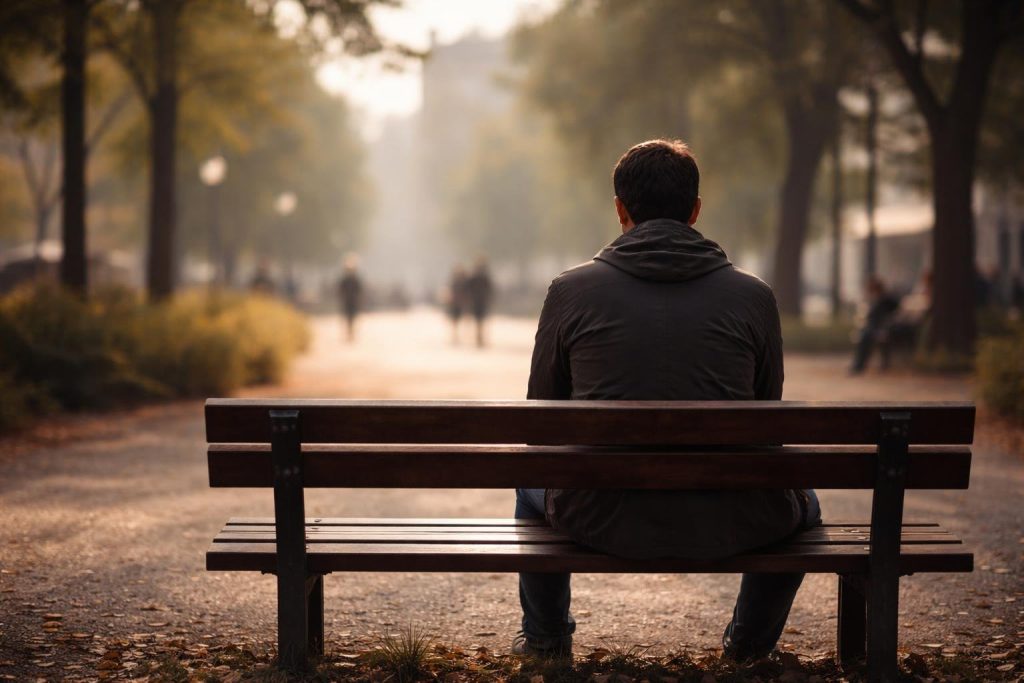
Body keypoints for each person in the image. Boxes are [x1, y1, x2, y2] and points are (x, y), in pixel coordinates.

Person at [515, 139, 819, 661]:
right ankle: (748, 648)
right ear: (696, 211)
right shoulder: (754, 296)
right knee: (806, 505)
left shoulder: (570, 291)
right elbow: (767, 420)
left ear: (620, 210)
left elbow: (543, 418)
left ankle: (545, 639)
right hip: (733, 514)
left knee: (529, 476)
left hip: (597, 514)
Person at [849, 276, 900, 374]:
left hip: (881, 329)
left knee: (865, 336)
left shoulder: (885, 299)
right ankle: (858, 365)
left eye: (870, 288)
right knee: (864, 336)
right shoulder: (875, 300)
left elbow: (894, 308)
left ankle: (858, 366)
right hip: (874, 328)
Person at [465, 257, 494, 348]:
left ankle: (479, 336)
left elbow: (489, 289)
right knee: (479, 319)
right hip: (479, 301)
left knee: (479, 319)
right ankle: (479, 336)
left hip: (479, 301)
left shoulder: (480, 276)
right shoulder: (481, 277)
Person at [337, 254, 363, 342]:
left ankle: (350, 332)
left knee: (352, 317)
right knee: (348, 317)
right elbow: (340, 291)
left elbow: (359, 291)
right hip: (347, 301)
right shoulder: (345, 280)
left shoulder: (355, 280)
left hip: (353, 301)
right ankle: (349, 332)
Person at [447, 265, 468, 344]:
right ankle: (455, 335)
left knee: (459, 318)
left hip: (460, 302)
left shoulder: (464, 281)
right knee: (455, 319)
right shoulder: (453, 281)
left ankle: (459, 334)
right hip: (455, 303)